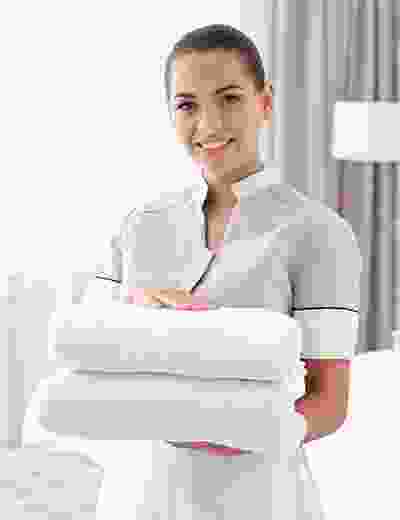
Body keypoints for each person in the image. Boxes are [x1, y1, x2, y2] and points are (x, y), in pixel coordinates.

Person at [92, 23, 363, 520]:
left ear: (265, 102)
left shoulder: (319, 233)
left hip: (258, 495)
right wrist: (138, 308)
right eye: (187, 105)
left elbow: (329, 401)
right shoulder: (137, 226)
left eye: (230, 98)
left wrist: (245, 431)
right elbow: (90, 353)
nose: (209, 124)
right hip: (140, 490)